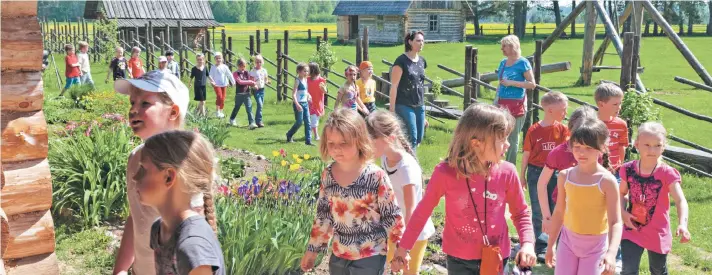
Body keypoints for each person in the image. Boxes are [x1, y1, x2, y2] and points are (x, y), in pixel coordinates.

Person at [391, 104, 536, 274]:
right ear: (476, 143)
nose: (508, 145)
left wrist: (527, 244)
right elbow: (422, 212)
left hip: (497, 256)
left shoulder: (508, 172)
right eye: (502, 139)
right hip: (459, 260)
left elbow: (521, 214)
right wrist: (403, 249)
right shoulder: (444, 173)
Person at [112, 70, 204, 275]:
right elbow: (136, 217)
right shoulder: (136, 158)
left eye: (145, 103)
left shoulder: (183, 166)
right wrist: (120, 269)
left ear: (172, 112)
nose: (134, 109)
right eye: (132, 103)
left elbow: (194, 235)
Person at [300, 108, 404, 275]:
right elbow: (323, 216)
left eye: (344, 143)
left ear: (359, 140)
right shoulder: (328, 174)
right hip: (339, 254)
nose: (336, 149)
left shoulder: (375, 176)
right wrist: (312, 250)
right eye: (331, 143)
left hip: (370, 254)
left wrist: (401, 250)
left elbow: (392, 216)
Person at [138, 131, 225, 275]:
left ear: (168, 177)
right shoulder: (159, 230)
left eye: (143, 169)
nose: (135, 177)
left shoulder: (192, 246)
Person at [544, 119, 623, 275]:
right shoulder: (564, 176)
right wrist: (551, 245)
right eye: (577, 147)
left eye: (588, 148)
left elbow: (615, 221)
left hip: (596, 247)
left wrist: (611, 253)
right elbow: (559, 213)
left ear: (601, 148)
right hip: (567, 243)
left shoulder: (607, 181)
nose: (581, 152)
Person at [366, 110, 435, 275]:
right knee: (390, 268)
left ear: (389, 139)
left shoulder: (406, 168)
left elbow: (411, 210)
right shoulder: (385, 158)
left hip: (414, 233)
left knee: (408, 272)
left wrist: (404, 246)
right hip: (395, 227)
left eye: (371, 141)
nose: (366, 146)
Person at [619, 122, 690, 275]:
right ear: (636, 144)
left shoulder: (667, 173)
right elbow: (621, 194)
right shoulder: (628, 169)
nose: (652, 150)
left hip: (658, 231)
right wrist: (622, 212)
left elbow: (680, 200)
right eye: (647, 145)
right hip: (632, 228)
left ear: (663, 146)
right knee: (628, 270)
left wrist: (682, 224)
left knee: (658, 270)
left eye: (657, 145)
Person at [520, 91, 569, 261]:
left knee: (558, 207)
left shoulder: (563, 130)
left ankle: (560, 244)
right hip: (535, 172)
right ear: (549, 109)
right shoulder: (533, 130)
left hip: (557, 173)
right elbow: (526, 154)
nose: (565, 113)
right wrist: (522, 175)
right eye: (562, 109)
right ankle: (541, 245)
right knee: (539, 209)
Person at [537, 106, 598, 235]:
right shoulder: (559, 153)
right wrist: (547, 217)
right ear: (570, 130)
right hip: (563, 211)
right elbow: (542, 183)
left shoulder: (598, 152)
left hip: (592, 212)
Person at [495, 35, 537, 165]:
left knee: (513, 138)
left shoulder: (523, 63)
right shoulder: (503, 62)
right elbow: (501, 83)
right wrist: (495, 100)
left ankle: (509, 166)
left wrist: (511, 83)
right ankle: (497, 161)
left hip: (516, 104)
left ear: (513, 46)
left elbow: (532, 84)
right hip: (502, 103)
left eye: (504, 46)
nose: (502, 49)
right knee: (499, 134)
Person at [389, 31, 428, 151]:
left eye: (422, 41)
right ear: (410, 42)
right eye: (418, 40)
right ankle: (412, 165)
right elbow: (394, 86)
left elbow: (420, 84)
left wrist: (423, 114)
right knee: (413, 136)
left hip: (419, 104)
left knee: (420, 137)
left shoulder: (422, 61)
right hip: (404, 103)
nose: (421, 43)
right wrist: (392, 110)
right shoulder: (401, 61)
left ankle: (402, 156)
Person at [595, 83, 629, 175]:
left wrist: (620, 165)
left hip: (614, 171)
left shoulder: (621, 125)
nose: (619, 107)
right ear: (601, 104)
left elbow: (622, 146)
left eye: (620, 103)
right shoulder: (590, 124)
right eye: (615, 104)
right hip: (593, 171)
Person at [286, 63, 313, 145]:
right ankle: (289, 134)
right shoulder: (297, 81)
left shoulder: (305, 80)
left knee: (308, 122)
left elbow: (305, 91)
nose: (306, 73)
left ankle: (308, 141)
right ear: (299, 71)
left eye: (307, 71)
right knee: (299, 122)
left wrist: (309, 95)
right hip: (299, 104)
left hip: (305, 103)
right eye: (304, 71)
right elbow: (294, 94)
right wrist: (297, 104)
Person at [230, 58, 257, 129]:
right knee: (237, 107)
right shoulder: (235, 74)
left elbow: (250, 81)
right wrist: (251, 82)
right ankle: (232, 119)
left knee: (249, 108)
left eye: (245, 66)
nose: (243, 68)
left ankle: (252, 123)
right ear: (238, 66)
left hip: (247, 93)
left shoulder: (247, 73)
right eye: (242, 66)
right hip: (239, 94)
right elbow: (240, 82)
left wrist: (254, 84)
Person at [208, 53, 235, 118]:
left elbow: (229, 74)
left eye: (219, 58)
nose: (218, 59)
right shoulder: (213, 67)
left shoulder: (225, 67)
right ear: (214, 59)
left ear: (222, 59)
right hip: (216, 85)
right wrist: (211, 82)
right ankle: (217, 111)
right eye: (217, 58)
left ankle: (221, 111)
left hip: (224, 84)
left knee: (223, 98)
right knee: (219, 96)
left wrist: (233, 82)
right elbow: (210, 75)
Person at [307, 62, 327, 140]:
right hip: (310, 103)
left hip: (318, 103)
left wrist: (324, 89)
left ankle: (309, 133)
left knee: (314, 119)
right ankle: (316, 135)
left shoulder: (321, 80)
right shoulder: (307, 79)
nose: (307, 71)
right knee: (314, 119)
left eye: (308, 70)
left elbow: (325, 91)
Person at [249, 54, 270, 128]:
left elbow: (266, 78)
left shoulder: (264, 70)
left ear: (262, 62)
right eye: (257, 62)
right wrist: (254, 85)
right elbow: (251, 80)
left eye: (260, 62)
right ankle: (259, 121)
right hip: (256, 90)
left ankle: (258, 121)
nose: (258, 63)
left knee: (261, 105)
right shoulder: (253, 71)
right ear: (255, 62)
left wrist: (267, 81)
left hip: (262, 89)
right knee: (260, 104)